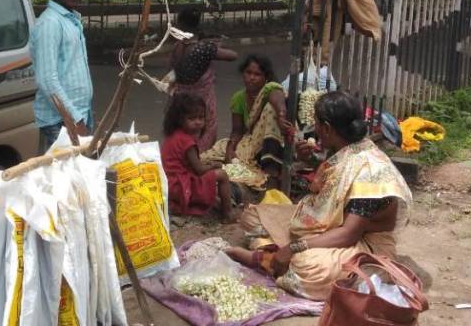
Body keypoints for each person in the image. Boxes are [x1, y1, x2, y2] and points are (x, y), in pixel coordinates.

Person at [225, 91, 413, 301]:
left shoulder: (368, 170)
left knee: (307, 267)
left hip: (363, 244)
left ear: (327, 128)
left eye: (316, 124)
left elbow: (349, 234)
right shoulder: (347, 148)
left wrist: (294, 247)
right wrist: (313, 161)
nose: (314, 130)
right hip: (330, 225)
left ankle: (269, 257)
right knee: (253, 216)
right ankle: (276, 256)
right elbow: (337, 184)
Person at [201, 54, 295, 190]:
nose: (251, 77)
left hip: (273, 142)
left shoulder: (270, 90)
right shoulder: (239, 98)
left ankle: (271, 172)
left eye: (257, 74)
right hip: (251, 141)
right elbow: (237, 130)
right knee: (207, 158)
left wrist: (281, 116)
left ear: (265, 77)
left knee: (270, 109)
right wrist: (230, 148)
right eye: (248, 73)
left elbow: (276, 94)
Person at [30, 0, 92, 153]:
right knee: (63, 180)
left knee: (80, 177)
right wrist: (75, 121)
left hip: (79, 114)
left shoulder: (71, 20)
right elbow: (47, 80)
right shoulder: (50, 23)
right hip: (61, 122)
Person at [169, 6, 237, 151]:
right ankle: (200, 160)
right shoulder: (203, 48)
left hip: (181, 98)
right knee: (204, 129)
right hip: (201, 100)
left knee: (183, 130)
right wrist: (212, 48)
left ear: (180, 25)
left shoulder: (177, 47)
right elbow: (233, 55)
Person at [160, 92, 235, 221]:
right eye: (192, 118)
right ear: (180, 119)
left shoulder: (173, 135)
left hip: (169, 182)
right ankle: (227, 214)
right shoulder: (187, 142)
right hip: (180, 186)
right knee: (222, 175)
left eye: (201, 118)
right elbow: (199, 170)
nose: (198, 122)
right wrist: (215, 165)